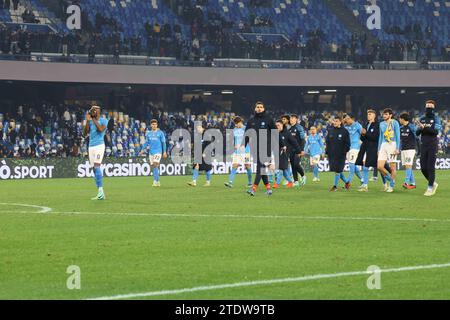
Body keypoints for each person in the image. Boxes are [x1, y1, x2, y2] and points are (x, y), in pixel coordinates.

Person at [244, 101, 277, 196]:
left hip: (266, 147)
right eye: (258, 107)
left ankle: (253, 189)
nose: (259, 108)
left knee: (260, 168)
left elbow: (275, 133)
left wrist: (282, 144)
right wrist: (243, 145)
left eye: (261, 107)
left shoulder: (268, 119)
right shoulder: (251, 121)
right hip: (255, 148)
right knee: (262, 169)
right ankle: (269, 189)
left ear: (263, 109)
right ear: (255, 109)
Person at [416, 100, 442, 196]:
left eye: (430, 106)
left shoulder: (436, 119)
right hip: (423, 145)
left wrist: (424, 128)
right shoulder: (422, 118)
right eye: (427, 106)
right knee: (423, 168)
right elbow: (417, 133)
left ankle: (430, 188)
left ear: (434, 108)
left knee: (430, 167)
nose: (428, 108)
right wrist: (420, 128)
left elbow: (435, 132)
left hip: (432, 145)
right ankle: (433, 183)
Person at [83, 105, 108, 200]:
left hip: (99, 146)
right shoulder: (91, 121)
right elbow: (85, 133)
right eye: (92, 110)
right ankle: (99, 192)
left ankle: (101, 191)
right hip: (91, 146)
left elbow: (100, 129)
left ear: (99, 111)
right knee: (94, 169)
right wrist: (87, 122)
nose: (93, 111)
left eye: (95, 110)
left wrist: (93, 119)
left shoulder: (104, 120)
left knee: (97, 166)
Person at [224, 116, 252, 188]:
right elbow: (234, 140)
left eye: (236, 124)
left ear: (240, 122)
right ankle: (230, 182)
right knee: (234, 165)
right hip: (237, 152)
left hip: (246, 151)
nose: (235, 125)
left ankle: (250, 183)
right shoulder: (234, 130)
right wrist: (234, 145)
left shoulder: (246, 129)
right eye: (235, 124)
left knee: (247, 166)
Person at [377, 108, 401, 193]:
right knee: (379, 166)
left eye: (386, 114)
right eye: (383, 114)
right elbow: (380, 137)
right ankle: (391, 180)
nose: (384, 116)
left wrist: (398, 148)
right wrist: (379, 148)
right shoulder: (381, 124)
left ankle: (391, 186)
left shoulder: (395, 123)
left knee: (392, 167)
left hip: (392, 144)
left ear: (390, 115)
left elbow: (398, 136)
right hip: (383, 145)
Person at [356, 109, 380, 192]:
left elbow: (375, 138)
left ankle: (388, 182)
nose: (368, 115)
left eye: (370, 114)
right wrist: (362, 134)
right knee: (365, 167)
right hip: (366, 148)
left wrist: (366, 133)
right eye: (367, 114)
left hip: (374, 148)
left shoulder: (377, 125)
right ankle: (365, 185)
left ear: (374, 115)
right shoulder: (366, 124)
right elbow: (363, 138)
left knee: (381, 167)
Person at [273, 119, 300, 189]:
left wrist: (298, 150)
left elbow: (294, 142)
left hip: (284, 153)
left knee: (281, 169)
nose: (277, 127)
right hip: (276, 153)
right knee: (284, 170)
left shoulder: (287, 133)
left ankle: (277, 183)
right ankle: (290, 182)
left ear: (282, 125)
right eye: (276, 126)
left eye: (278, 125)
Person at [326, 116, 350, 192]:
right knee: (338, 171)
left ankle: (335, 186)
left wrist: (344, 151)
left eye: (336, 121)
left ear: (340, 122)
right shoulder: (330, 131)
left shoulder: (345, 131)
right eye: (334, 121)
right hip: (332, 154)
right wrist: (327, 151)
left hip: (341, 155)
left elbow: (348, 143)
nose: (335, 122)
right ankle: (347, 182)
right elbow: (327, 142)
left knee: (337, 170)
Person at [141, 119, 167, 187]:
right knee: (153, 166)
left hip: (158, 151)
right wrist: (142, 149)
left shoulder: (160, 133)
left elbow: (163, 143)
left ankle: (155, 181)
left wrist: (164, 152)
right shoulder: (148, 134)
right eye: (153, 124)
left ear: (157, 125)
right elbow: (146, 142)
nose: (154, 125)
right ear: (151, 125)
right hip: (151, 152)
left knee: (155, 164)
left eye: (155, 124)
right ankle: (157, 181)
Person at [343, 113, 363, 188]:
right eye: (346, 119)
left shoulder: (358, 125)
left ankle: (348, 183)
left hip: (355, 148)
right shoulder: (346, 126)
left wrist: (361, 143)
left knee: (351, 165)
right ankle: (362, 180)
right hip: (348, 148)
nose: (346, 120)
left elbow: (363, 134)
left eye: (348, 118)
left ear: (352, 119)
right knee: (353, 166)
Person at [399, 112, 417, 190]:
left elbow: (417, 136)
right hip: (403, 149)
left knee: (408, 165)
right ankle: (413, 183)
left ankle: (406, 182)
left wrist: (419, 149)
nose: (399, 120)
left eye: (400, 118)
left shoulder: (412, 127)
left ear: (403, 119)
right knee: (407, 166)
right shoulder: (400, 128)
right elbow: (400, 139)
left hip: (410, 149)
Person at [288, 114, 306, 187]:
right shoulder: (289, 129)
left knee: (296, 164)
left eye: (293, 118)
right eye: (290, 118)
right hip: (291, 150)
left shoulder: (299, 128)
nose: (291, 119)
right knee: (292, 166)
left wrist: (301, 150)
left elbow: (302, 139)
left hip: (298, 150)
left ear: (296, 119)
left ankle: (303, 175)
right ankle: (296, 181)